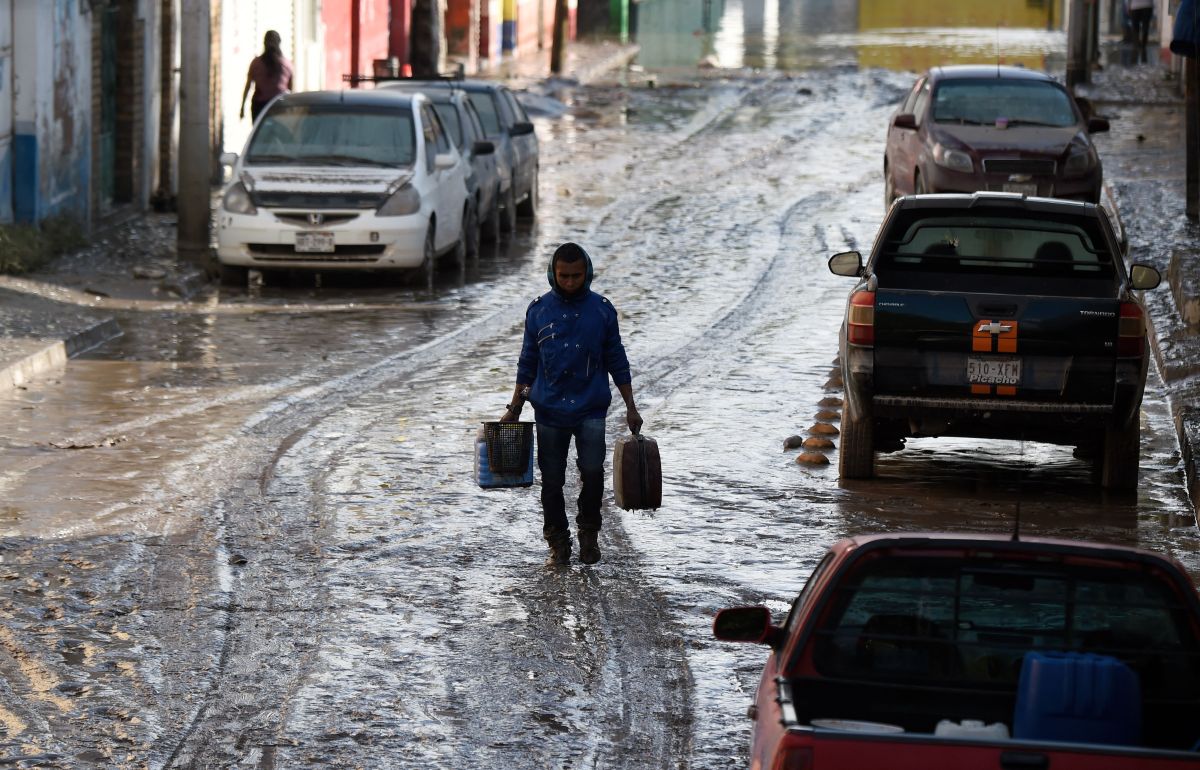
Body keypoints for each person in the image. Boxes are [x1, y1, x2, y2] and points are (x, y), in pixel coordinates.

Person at [501, 242, 641, 566]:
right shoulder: (538, 312)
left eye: (576, 276)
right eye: (563, 276)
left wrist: (631, 406)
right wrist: (515, 407)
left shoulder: (602, 311)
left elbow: (617, 360)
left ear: (587, 273)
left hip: (591, 409)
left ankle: (588, 534)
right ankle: (558, 543)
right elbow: (527, 363)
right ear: (553, 273)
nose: (569, 282)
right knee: (551, 480)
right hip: (548, 410)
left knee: (592, 474)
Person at [240, 30, 294, 122]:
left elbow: (248, 86)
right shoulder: (287, 65)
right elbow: (291, 90)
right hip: (280, 106)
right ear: (279, 43)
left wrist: (242, 107)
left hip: (260, 108)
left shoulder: (256, 63)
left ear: (264, 43)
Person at [1128, 0, 1155, 64]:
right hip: (1147, 5)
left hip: (1135, 6)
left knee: (1135, 27)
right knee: (1145, 26)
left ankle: (1136, 45)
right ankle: (1143, 46)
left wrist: (1129, 6)